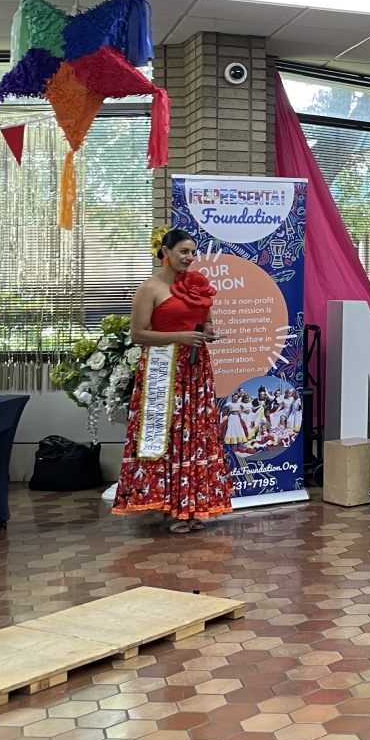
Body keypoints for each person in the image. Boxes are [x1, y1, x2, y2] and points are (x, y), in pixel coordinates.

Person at [113, 228, 230, 532]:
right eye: (183, 251)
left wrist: (208, 334)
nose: (189, 257)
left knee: (194, 436)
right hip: (163, 372)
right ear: (166, 252)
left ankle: (192, 506)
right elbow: (138, 334)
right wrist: (180, 337)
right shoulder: (150, 287)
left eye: (193, 252)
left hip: (196, 370)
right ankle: (168, 508)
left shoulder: (197, 285)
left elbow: (205, 322)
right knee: (168, 436)